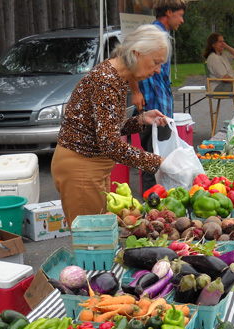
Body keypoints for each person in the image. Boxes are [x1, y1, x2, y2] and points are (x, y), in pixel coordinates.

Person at [51, 24, 170, 225]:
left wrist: (140, 120)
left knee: (100, 238)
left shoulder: (116, 77)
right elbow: (110, 144)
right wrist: (159, 163)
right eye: (156, 62)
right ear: (137, 53)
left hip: (90, 167)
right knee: (91, 243)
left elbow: (104, 129)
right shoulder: (106, 81)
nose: (158, 70)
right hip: (82, 168)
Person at [130, 0, 187, 193]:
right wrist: (136, 91)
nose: (182, 20)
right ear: (168, 13)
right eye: (179, 15)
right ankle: (151, 202)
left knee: (156, 157)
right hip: (151, 105)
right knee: (153, 160)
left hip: (158, 106)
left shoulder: (162, 35)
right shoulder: (155, 35)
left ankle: (157, 199)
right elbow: (129, 57)